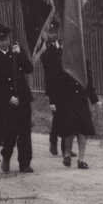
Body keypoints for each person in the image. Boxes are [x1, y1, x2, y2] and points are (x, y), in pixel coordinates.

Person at [0, 25, 35, 174]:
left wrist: (20, 54)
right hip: (7, 101)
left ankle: (25, 163)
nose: (5, 42)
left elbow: (29, 69)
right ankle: (6, 155)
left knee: (25, 132)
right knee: (11, 131)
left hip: (23, 98)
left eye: (6, 39)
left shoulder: (17, 52)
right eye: (1, 40)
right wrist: (8, 97)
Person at [40, 21, 76, 158]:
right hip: (53, 85)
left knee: (67, 115)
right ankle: (53, 141)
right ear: (46, 33)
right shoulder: (43, 47)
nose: (53, 35)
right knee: (58, 116)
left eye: (55, 32)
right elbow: (48, 61)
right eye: (50, 32)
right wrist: (61, 52)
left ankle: (65, 148)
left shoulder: (62, 44)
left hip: (66, 85)